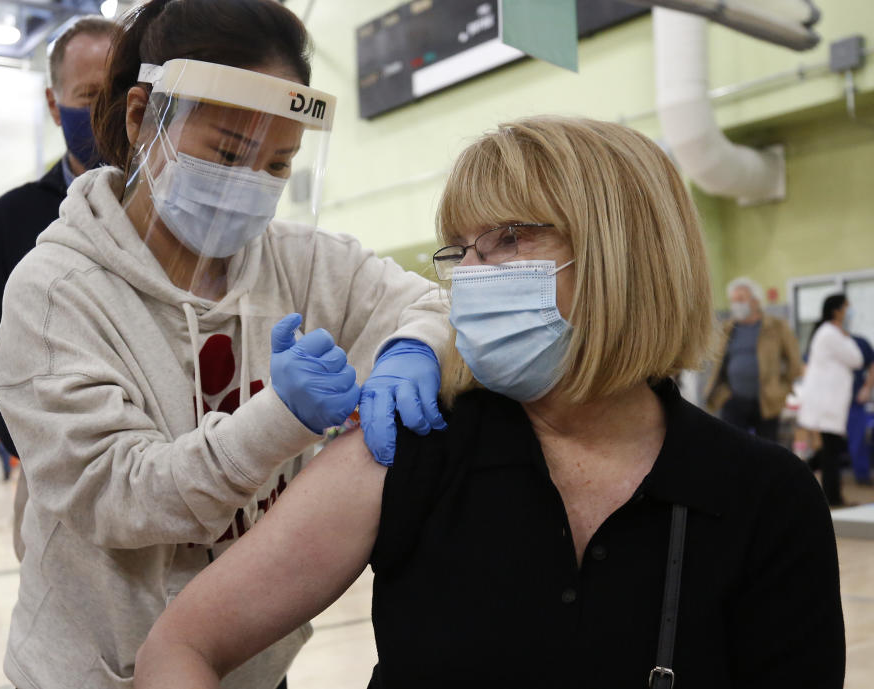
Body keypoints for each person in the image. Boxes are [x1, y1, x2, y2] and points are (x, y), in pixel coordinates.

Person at [134, 117, 845, 689]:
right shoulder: (410, 446)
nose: (471, 276)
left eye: (508, 238)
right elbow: (181, 646)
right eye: (461, 249)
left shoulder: (762, 497)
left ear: (622, 254)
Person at [0, 1, 449, 688]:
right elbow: (119, 492)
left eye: (278, 165)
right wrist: (276, 420)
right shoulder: (56, 292)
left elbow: (427, 303)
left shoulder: (298, 261)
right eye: (229, 153)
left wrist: (413, 348)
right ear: (144, 117)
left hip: (250, 663)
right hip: (90, 671)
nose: (250, 185)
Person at [0, 15, 116, 558]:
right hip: (50, 475)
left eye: (120, 91)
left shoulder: (168, 214)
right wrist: (42, 458)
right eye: (89, 94)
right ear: (55, 105)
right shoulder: (13, 220)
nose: (107, 109)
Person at [705, 277, 803, 442]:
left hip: (768, 400)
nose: (736, 305)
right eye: (733, 301)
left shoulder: (776, 327)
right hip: (733, 399)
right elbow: (718, 365)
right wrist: (722, 393)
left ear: (756, 301)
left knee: (768, 449)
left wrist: (782, 389)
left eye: (741, 299)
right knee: (732, 448)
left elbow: (794, 363)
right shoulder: (728, 328)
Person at [799, 294, 865, 506]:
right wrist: (846, 336)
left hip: (829, 404)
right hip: (826, 404)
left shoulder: (831, 333)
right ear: (837, 311)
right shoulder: (830, 333)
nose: (850, 312)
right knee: (831, 453)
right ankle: (832, 497)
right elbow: (857, 359)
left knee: (828, 452)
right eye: (847, 307)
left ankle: (821, 488)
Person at [846, 334, 874, 484]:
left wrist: (867, 388)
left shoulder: (859, 342)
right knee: (829, 443)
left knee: (858, 439)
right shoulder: (825, 339)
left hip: (855, 400)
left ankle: (862, 475)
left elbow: (872, 364)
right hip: (835, 402)